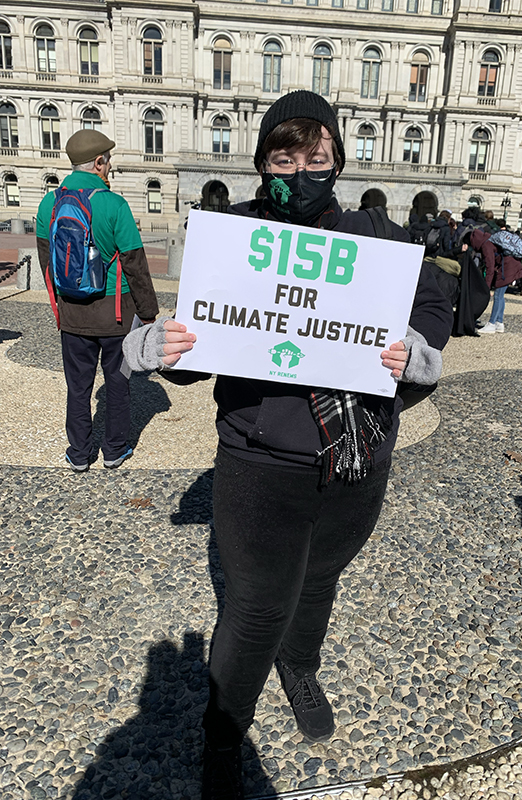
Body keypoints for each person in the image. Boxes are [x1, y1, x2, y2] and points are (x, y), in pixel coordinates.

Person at [122, 91, 453, 800]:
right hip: (258, 459)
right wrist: (161, 347)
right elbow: (203, 335)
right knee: (256, 605)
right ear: (262, 161)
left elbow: (432, 302)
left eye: (316, 157)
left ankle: (300, 666)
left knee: (322, 578)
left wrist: (419, 350)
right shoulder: (235, 234)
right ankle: (224, 729)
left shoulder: (380, 236)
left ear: (335, 160)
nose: (300, 170)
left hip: (356, 457)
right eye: (284, 156)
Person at [36, 129, 159, 471]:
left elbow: (48, 265)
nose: (109, 167)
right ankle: (114, 450)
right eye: (108, 160)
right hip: (116, 318)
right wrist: (149, 314)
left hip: (73, 316)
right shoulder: (115, 204)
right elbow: (135, 265)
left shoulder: (49, 203)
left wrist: (59, 306)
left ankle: (78, 454)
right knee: (118, 383)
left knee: (77, 387)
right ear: (100, 162)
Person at [472, 220, 522, 334]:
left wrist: (486, 287)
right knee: (500, 295)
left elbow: (489, 268)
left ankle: (491, 323)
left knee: (498, 295)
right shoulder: (489, 239)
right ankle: (499, 323)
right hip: (511, 265)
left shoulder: (486, 245)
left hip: (507, 267)